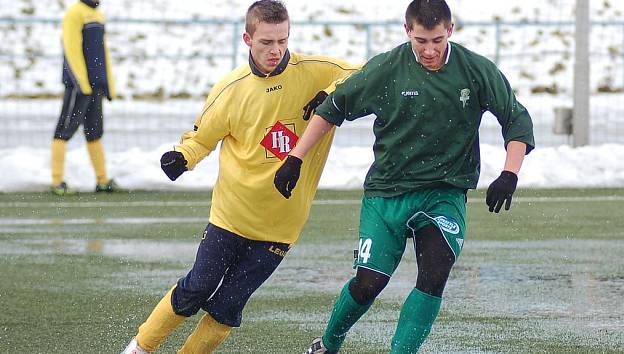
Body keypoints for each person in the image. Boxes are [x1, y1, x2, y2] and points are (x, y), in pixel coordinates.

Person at [273, 0, 535, 353]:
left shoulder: (475, 70)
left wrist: (509, 173)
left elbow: (516, 118)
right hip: (387, 193)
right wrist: (295, 158)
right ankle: (329, 343)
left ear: (451, 31)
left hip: (444, 194)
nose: (429, 50)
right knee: (369, 283)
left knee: (435, 271)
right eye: (421, 41)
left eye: (437, 40)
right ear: (407, 31)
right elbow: (333, 107)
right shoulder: (387, 69)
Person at [120, 1, 358, 353]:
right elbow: (201, 139)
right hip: (230, 216)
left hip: (281, 227)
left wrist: (333, 93)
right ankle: (139, 347)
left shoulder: (316, 71)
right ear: (247, 39)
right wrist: (182, 157)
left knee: (228, 306)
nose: (276, 50)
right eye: (266, 42)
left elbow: (366, 72)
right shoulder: (231, 90)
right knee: (196, 288)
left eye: (282, 40)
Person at [51, 0, 121, 195]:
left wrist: (108, 84)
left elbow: (103, 53)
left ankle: (102, 180)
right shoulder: (74, 13)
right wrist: (81, 83)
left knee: (95, 132)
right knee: (64, 130)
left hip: (96, 85)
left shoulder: (98, 15)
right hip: (78, 86)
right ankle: (57, 181)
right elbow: (70, 49)